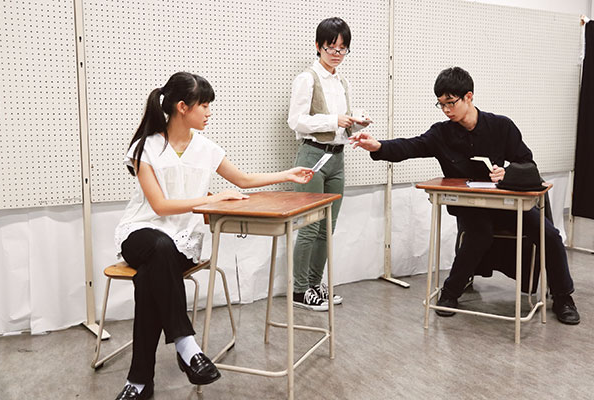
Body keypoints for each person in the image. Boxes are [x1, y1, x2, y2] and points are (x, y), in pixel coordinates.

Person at [113, 72, 313, 400]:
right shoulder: (145, 147)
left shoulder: (206, 148)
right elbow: (160, 207)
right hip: (140, 234)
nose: (209, 112)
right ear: (182, 107)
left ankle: (140, 382)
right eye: (204, 105)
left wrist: (287, 174)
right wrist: (212, 199)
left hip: (180, 243)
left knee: (150, 278)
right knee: (158, 247)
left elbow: (244, 180)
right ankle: (186, 345)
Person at [349, 67, 580, 325]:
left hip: (509, 205)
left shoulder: (501, 126)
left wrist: (508, 172)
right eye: (441, 104)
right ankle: (450, 293)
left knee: (550, 235)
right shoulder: (441, 133)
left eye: (451, 103)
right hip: (471, 207)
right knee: (479, 235)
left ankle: (563, 297)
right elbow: (411, 146)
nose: (446, 110)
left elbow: (527, 164)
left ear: (469, 96)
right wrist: (378, 146)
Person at [288, 17, 372, 311]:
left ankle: (314, 284)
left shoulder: (342, 81)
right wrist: (333, 120)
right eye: (331, 47)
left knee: (328, 227)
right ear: (318, 46)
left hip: (337, 156)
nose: (337, 53)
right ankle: (299, 290)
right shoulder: (307, 79)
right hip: (312, 156)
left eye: (342, 48)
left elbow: (340, 125)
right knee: (309, 227)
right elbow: (296, 121)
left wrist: (356, 124)